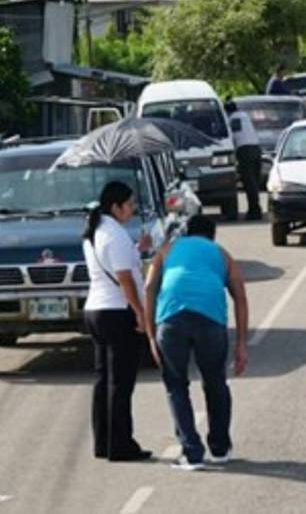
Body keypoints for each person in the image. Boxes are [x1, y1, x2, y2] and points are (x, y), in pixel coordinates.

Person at [144, 215, 249, 471]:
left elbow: (149, 288)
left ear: (186, 233)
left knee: (176, 385)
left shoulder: (167, 249)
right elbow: (240, 297)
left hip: (171, 319)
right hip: (211, 320)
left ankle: (192, 453)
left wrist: (150, 334)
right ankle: (220, 448)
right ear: (212, 236)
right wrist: (241, 345)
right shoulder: (221, 254)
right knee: (215, 383)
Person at [82, 181, 155, 462]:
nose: (133, 209)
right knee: (121, 383)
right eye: (130, 204)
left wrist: (139, 246)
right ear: (116, 206)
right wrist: (139, 311)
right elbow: (124, 278)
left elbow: (117, 264)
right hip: (116, 312)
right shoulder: (114, 235)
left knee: (104, 380)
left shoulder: (96, 231)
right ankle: (121, 445)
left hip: (96, 310)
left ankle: (103, 442)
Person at [224, 99, 263, 221]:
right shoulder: (244, 116)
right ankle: (255, 208)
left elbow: (233, 138)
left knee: (249, 182)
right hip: (256, 147)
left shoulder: (231, 120)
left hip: (245, 150)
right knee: (255, 182)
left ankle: (255, 211)